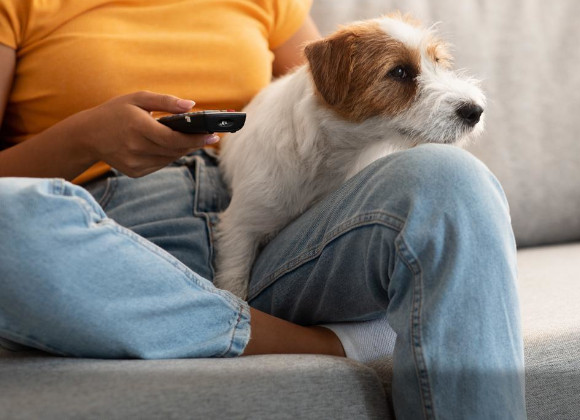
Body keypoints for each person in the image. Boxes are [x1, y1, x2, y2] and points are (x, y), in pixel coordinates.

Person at [0, 1, 526, 418]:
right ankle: (325, 343)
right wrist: (86, 137)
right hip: (123, 238)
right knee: (10, 222)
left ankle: (198, 330)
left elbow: (335, 100)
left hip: (277, 240)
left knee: (454, 181)